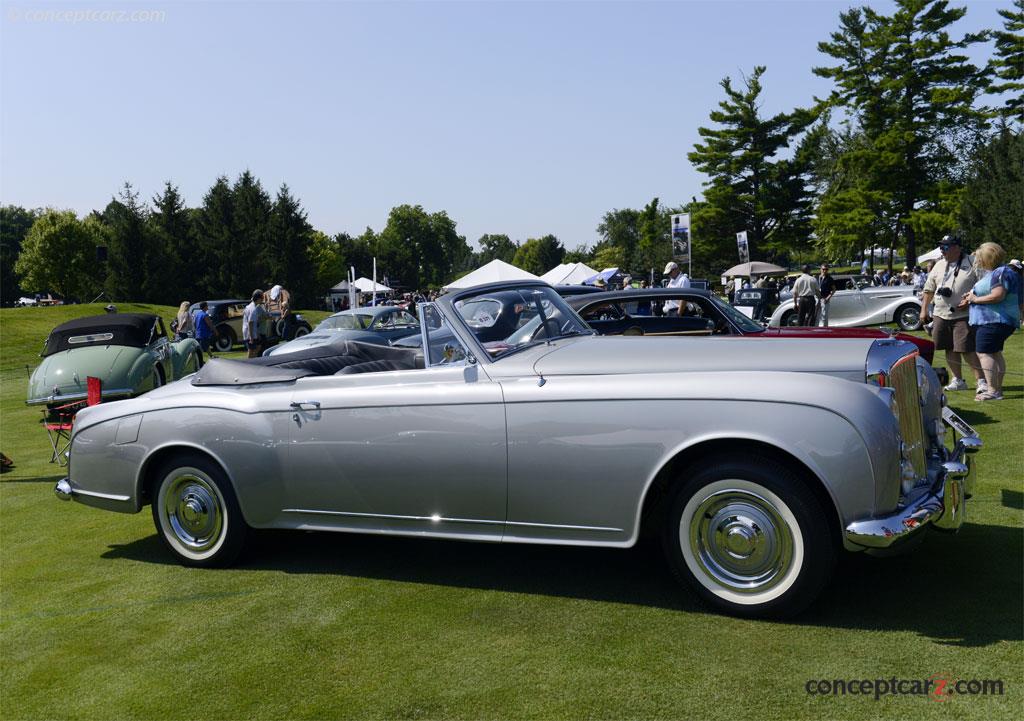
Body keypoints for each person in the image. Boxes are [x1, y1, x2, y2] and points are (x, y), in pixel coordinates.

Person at [920, 235, 984, 392]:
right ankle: (958, 380)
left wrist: (970, 299)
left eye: (946, 247)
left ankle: (981, 381)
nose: (942, 250)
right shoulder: (939, 265)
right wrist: (923, 310)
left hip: (964, 314)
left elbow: (983, 285)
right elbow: (929, 289)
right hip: (940, 314)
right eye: (941, 247)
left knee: (967, 349)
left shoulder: (972, 262)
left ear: (957, 247)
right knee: (948, 347)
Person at [959, 242, 1020, 401]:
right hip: (997, 321)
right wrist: (971, 298)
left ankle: (992, 391)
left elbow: (997, 295)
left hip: (993, 321)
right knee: (994, 353)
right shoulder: (1000, 272)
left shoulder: (999, 273)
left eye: (979, 258)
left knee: (984, 353)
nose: (977, 261)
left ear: (987, 258)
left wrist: (975, 299)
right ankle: (996, 390)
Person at [242, 289, 268, 358]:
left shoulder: (249, 306)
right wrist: (251, 337)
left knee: (258, 347)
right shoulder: (253, 309)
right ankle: (249, 364)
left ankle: (252, 361)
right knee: (251, 350)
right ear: (258, 298)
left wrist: (257, 334)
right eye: (262, 298)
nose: (262, 300)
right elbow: (250, 323)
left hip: (251, 332)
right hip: (249, 333)